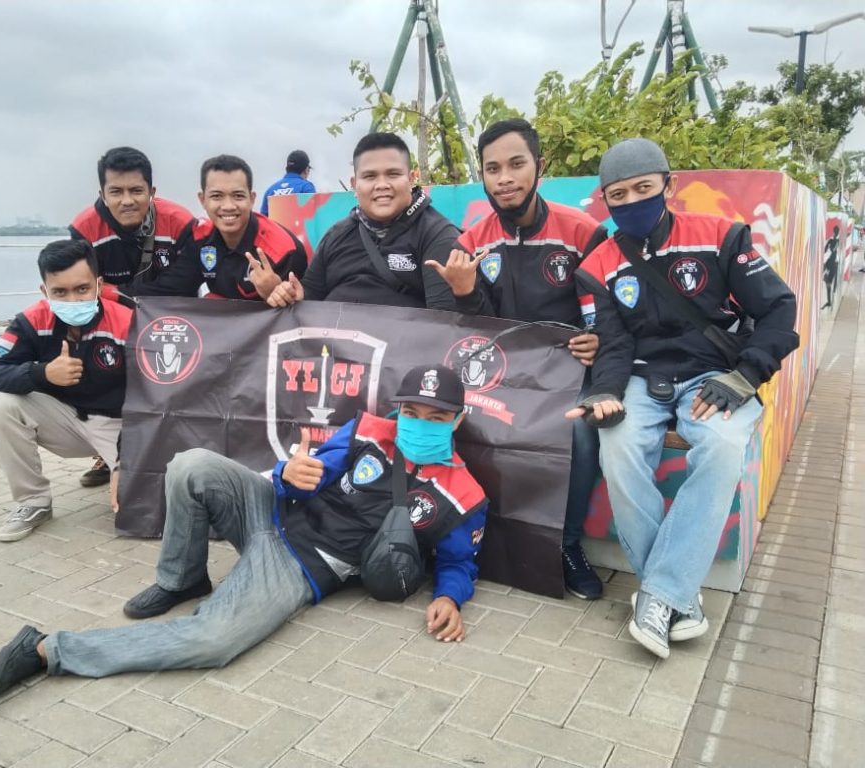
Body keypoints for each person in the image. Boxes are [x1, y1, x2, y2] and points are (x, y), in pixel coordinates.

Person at [0, 365, 488, 696]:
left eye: (435, 416)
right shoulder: (367, 430)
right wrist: (291, 475)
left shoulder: (464, 494)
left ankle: (48, 649)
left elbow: (459, 562)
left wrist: (450, 597)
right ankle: (181, 579)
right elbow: (311, 473)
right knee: (191, 464)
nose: (418, 422)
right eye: (411, 412)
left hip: (301, 565)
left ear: (457, 420)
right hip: (270, 512)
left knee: (213, 641)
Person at [570, 138, 798, 659]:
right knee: (618, 447)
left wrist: (745, 376)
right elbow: (613, 342)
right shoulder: (598, 264)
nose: (632, 202)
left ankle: (658, 595)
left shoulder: (721, 235)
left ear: (668, 186)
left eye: (643, 189)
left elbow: (779, 310)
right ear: (605, 200)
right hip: (641, 378)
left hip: (716, 374)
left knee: (720, 446)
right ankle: (677, 597)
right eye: (618, 195)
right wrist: (604, 391)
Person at [426, 118, 608, 601]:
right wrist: (464, 292)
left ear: (538, 166)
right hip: (499, 372)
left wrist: (598, 340)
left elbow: (609, 311)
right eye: (493, 169)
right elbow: (473, 329)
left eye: (516, 164)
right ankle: (469, 536)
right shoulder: (470, 242)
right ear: (483, 176)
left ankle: (566, 545)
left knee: (579, 432)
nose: (504, 178)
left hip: (566, 371)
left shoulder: (582, 231)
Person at [0, 240, 132, 542]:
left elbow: (153, 396)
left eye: (82, 289)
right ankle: (33, 502)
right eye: (60, 292)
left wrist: (126, 460)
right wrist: (41, 373)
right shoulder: (32, 320)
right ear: (44, 291)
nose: (72, 300)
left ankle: (116, 466)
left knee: (142, 508)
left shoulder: (127, 320)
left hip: (119, 426)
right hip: (64, 423)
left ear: (99, 285)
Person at [68, 146, 195, 487]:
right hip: (109, 324)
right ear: (102, 193)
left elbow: (185, 283)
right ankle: (106, 452)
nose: (127, 200)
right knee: (101, 370)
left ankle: (175, 453)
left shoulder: (181, 222)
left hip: (170, 321)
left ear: (152, 191)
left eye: (136, 190)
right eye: (116, 191)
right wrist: (116, 299)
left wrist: (116, 293)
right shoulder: (84, 228)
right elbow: (83, 289)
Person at [266, 132, 458, 311]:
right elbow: (309, 296)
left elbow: (443, 321)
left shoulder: (437, 235)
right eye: (369, 176)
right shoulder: (336, 235)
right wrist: (291, 296)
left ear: (411, 179)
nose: (382, 185)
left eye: (393, 174)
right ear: (354, 184)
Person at [134, 155, 308, 302]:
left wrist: (276, 294)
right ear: (202, 200)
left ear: (252, 199)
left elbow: (303, 308)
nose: (228, 206)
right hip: (222, 324)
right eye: (217, 196)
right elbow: (173, 287)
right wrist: (119, 294)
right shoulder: (199, 237)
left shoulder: (285, 250)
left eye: (238, 196)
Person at [260, 149, 316, 215]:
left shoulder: (270, 190)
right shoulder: (306, 187)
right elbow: (313, 216)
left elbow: (262, 218)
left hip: (274, 222)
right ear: (306, 170)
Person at [822, 225, 839, 309]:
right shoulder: (837, 241)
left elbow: (827, 251)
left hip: (830, 264)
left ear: (833, 232)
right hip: (834, 263)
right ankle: (830, 300)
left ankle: (829, 301)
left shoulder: (831, 241)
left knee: (828, 281)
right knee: (830, 282)